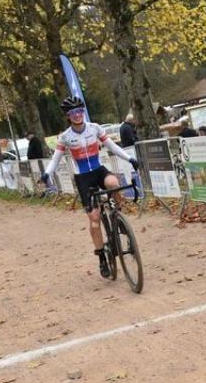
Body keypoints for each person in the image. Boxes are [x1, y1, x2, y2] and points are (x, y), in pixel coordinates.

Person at [40, 96, 139, 278]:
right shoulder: (65, 137)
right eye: (72, 113)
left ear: (83, 112)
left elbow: (112, 146)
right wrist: (47, 174)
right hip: (83, 177)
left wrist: (130, 159)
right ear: (68, 116)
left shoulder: (95, 128)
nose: (77, 115)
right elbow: (55, 159)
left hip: (98, 170)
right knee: (94, 219)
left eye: (80, 111)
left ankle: (118, 216)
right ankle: (102, 256)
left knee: (114, 184)